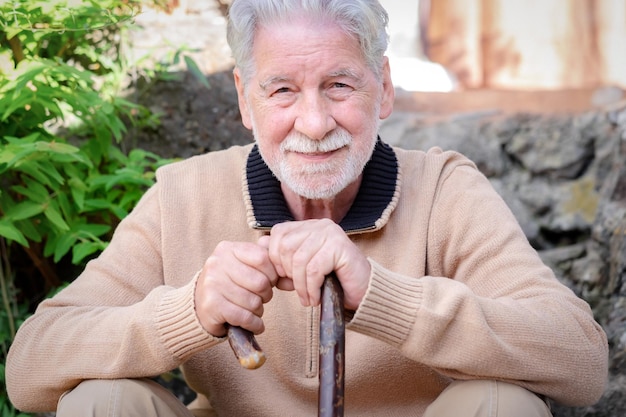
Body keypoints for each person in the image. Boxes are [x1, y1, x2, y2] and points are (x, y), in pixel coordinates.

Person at [6, 0, 608, 416]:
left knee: (500, 404)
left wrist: (379, 295)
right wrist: (185, 313)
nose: (315, 124)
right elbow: (30, 366)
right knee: (101, 403)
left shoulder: (445, 191)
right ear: (245, 98)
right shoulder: (183, 196)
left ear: (385, 88)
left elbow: (579, 357)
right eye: (283, 90)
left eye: (340, 85)